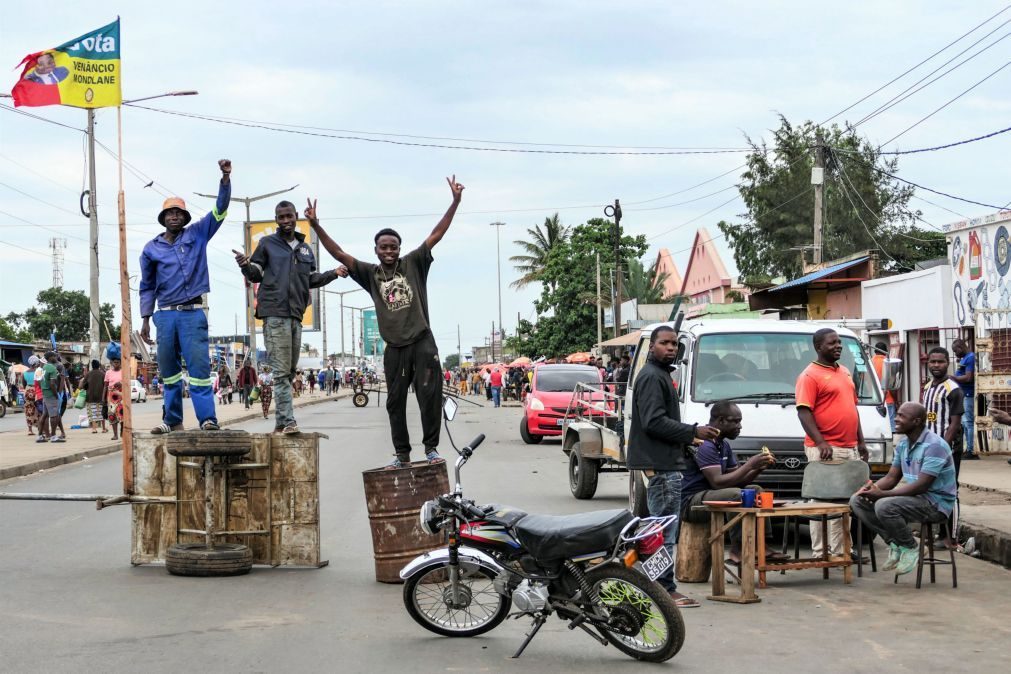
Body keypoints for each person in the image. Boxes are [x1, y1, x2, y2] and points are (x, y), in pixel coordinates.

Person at [307, 176, 464, 467]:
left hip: (422, 342)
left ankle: (431, 449)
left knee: (429, 398)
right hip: (395, 349)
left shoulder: (415, 262)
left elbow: (437, 233)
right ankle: (402, 454)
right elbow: (339, 253)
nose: (389, 251)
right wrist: (316, 226)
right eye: (384, 247)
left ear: (400, 248)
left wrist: (454, 202)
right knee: (395, 403)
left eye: (393, 247)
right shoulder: (370, 274)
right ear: (376, 250)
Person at [627, 325, 719, 609]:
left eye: (674, 344)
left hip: (665, 462)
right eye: (664, 343)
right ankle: (664, 590)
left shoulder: (659, 375)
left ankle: (655, 586)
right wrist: (693, 430)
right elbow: (653, 422)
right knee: (664, 534)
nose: (671, 348)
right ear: (652, 346)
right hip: (662, 468)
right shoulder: (652, 377)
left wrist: (690, 440)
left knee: (660, 530)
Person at [139, 159, 232, 434]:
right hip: (165, 316)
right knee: (169, 373)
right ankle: (172, 420)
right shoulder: (150, 249)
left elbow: (220, 210)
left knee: (199, 371)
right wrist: (146, 320)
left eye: (179, 213)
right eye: (170, 214)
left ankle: (207, 419)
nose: (175, 217)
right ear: (163, 218)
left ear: (185, 217)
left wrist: (225, 179)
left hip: (192, 314)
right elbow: (147, 286)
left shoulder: (198, 234)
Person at [850, 402, 957, 576]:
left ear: (916, 421)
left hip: (935, 504)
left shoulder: (934, 446)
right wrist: (870, 489)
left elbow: (922, 485)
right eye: (897, 415)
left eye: (901, 416)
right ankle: (896, 543)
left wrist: (882, 495)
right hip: (915, 500)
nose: (896, 419)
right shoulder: (903, 445)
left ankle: (911, 547)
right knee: (858, 500)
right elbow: (891, 478)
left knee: (884, 505)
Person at [795, 328, 868, 559]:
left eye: (839, 342)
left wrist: (862, 441)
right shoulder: (810, 375)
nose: (838, 346)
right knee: (822, 499)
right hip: (827, 449)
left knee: (844, 501)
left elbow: (851, 409)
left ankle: (841, 550)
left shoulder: (845, 371)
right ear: (818, 347)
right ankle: (821, 552)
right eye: (831, 343)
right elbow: (804, 412)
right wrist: (820, 442)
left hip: (849, 447)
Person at [680, 401, 780, 563]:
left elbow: (737, 479)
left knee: (756, 490)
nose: (739, 426)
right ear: (720, 421)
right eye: (735, 421)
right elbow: (718, 483)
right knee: (736, 495)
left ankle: (761, 544)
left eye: (739, 421)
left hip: (713, 495)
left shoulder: (723, 444)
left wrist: (759, 468)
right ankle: (737, 549)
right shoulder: (705, 444)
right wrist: (749, 464)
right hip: (691, 503)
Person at [922, 347, 964, 477]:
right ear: (928, 363)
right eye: (933, 361)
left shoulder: (953, 389)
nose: (936, 365)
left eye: (940, 362)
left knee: (949, 483)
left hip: (947, 446)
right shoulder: (928, 387)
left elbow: (955, 424)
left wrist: (942, 448)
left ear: (947, 363)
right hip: (928, 445)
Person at [951, 339, 977, 460]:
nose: (955, 354)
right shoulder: (965, 358)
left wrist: (952, 377)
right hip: (964, 394)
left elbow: (968, 378)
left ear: (961, 347)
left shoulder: (970, 357)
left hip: (968, 394)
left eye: (956, 351)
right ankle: (967, 449)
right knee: (965, 423)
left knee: (968, 423)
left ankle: (970, 450)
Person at [871, 341, 897, 432]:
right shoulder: (888, 362)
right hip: (888, 398)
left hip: (874, 399)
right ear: (886, 350)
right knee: (891, 427)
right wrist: (896, 400)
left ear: (875, 351)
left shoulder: (870, 362)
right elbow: (892, 384)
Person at [40, 351, 66, 443]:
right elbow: (60, 381)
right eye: (54, 356)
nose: (56, 356)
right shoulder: (57, 366)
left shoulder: (44, 367)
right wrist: (58, 394)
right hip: (54, 393)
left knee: (47, 414)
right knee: (55, 415)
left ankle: (42, 435)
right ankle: (54, 435)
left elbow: (41, 381)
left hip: (47, 393)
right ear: (50, 357)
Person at [82, 359, 106, 434]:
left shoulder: (88, 374)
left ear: (92, 366)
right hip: (100, 397)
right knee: (102, 412)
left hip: (90, 397)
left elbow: (84, 385)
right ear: (99, 365)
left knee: (93, 412)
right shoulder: (102, 374)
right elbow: (106, 385)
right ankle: (104, 428)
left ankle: (94, 429)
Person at [103, 356, 125, 441]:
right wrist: (103, 398)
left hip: (121, 395)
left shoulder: (123, 371)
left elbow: (127, 383)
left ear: (120, 363)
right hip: (111, 397)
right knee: (112, 416)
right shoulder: (108, 373)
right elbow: (105, 386)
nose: (116, 364)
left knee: (122, 415)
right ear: (112, 363)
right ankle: (115, 435)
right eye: (114, 362)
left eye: (117, 362)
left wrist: (121, 383)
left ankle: (122, 429)